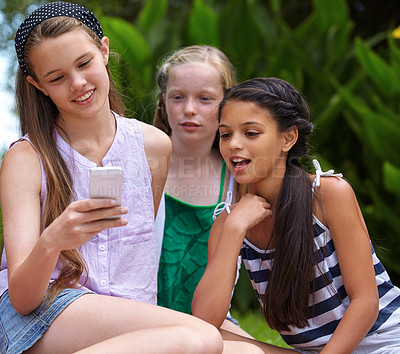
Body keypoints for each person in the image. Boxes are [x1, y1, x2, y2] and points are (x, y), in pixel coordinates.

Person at [0, 2, 225, 353]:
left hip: (128, 309)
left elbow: (136, 258)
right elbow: (22, 299)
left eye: (84, 63)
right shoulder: (25, 159)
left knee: (243, 350)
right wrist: (53, 240)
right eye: (57, 78)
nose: (78, 84)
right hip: (45, 313)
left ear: (104, 51)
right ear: (37, 85)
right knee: (203, 339)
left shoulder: (153, 146)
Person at [192, 77, 400, 353]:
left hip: (383, 344)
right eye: (226, 134)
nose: (233, 145)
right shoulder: (229, 222)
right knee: (213, 343)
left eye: (251, 133)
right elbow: (204, 325)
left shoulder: (327, 194)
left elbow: (366, 302)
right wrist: (233, 229)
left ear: (288, 138)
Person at [153, 45, 249, 336]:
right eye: (178, 97)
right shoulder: (140, 163)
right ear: (163, 101)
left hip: (210, 323)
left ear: (226, 106)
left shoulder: (240, 179)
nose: (189, 109)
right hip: (140, 319)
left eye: (205, 99)